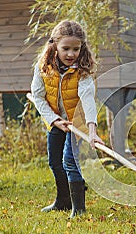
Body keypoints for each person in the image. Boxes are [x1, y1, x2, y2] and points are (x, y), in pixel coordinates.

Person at [31, 20, 104, 218]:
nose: (71, 54)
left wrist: (91, 130)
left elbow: (88, 101)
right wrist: (54, 120)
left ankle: (79, 209)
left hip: (77, 122)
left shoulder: (83, 71)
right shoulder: (43, 68)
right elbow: (37, 96)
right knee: (55, 161)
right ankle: (63, 200)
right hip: (55, 119)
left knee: (70, 162)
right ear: (54, 45)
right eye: (66, 49)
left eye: (76, 49)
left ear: (82, 48)